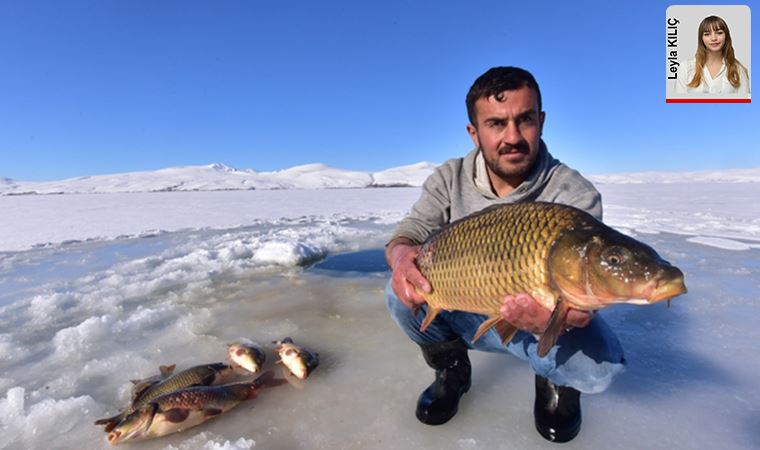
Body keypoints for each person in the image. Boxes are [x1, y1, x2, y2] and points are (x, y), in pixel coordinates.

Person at [384, 66, 625, 443]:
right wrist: (401, 259)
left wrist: (560, 320)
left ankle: (553, 378)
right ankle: (451, 369)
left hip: (545, 319)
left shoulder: (573, 192)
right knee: (397, 294)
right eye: (496, 124)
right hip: (466, 304)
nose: (512, 137)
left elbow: (586, 289)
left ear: (541, 121)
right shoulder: (449, 178)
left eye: (524, 120)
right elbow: (408, 234)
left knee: (598, 369)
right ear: (474, 132)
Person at [674, 15, 750, 95]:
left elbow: (744, 105)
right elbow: (678, 105)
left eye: (719, 33)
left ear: (726, 36)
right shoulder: (685, 68)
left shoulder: (739, 70)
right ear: (701, 38)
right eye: (707, 34)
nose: (713, 38)